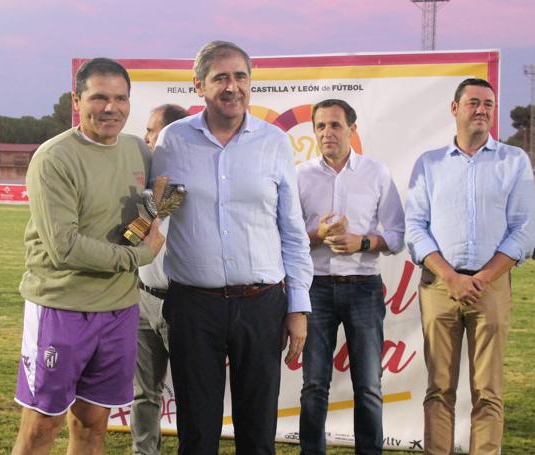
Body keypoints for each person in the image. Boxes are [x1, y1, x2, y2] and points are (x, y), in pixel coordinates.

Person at [151, 40, 313, 455]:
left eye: (240, 76)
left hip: (261, 305)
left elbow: (292, 231)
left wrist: (297, 307)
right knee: (197, 432)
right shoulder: (173, 141)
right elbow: (157, 212)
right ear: (198, 85)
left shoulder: (274, 142)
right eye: (220, 77)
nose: (232, 86)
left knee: (258, 434)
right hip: (193, 308)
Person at [11, 57, 164, 455]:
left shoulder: (137, 151)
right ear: (77, 101)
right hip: (61, 308)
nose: (110, 107)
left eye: (120, 98)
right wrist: (138, 257)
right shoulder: (54, 158)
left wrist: (157, 212)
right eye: (99, 97)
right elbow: (65, 247)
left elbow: (147, 212)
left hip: (120, 310)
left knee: (94, 425)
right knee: (41, 425)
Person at [405, 78, 535, 454]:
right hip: (439, 287)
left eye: (489, 104)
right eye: (474, 102)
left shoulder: (513, 161)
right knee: (439, 389)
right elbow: (416, 226)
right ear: (455, 108)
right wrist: (450, 277)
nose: (482, 110)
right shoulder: (429, 164)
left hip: (491, 286)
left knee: (488, 391)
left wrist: (482, 278)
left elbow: (524, 229)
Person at [297, 99, 405, 454]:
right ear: (314, 132)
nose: (328, 133)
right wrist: (318, 235)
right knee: (314, 384)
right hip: (316, 288)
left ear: (352, 130)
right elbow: (289, 236)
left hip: (364, 288)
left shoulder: (376, 173)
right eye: (321, 127)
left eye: (336, 125)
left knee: (369, 385)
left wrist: (360, 241)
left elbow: (397, 234)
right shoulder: (301, 176)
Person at [131, 104, 188, 455]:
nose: (146, 137)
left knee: (191, 395)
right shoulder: (146, 182)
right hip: (142, 299)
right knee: (143, 393)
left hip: (180, 302)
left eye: (152, 131)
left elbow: (142, 226)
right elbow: (133, 234)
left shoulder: (183, 184)